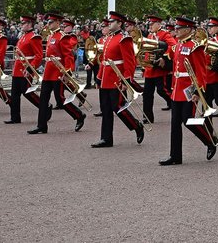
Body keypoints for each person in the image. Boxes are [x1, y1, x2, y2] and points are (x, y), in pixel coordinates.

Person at [159, 16, 218, 165]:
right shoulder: (178, 46)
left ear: (187, 30)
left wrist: (198, 92)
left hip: (189, 89)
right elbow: (175, 67)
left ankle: (209, 141)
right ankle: (175, 156)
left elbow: (200, 72)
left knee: (188, 120)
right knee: (175, 124)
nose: (176, 31)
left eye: (179, 29)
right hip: (177, 88)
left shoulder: (195, 47)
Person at [90, 12, 144, 148]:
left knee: (118, 107)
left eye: (112, 21)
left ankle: (136, 125)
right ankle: (106, 138)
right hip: (106, 79)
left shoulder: (124, 39)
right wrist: (98, 78)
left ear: (119, 23)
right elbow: (104, 61)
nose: (109, 23)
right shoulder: (108, 38)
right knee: (106, 109)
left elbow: (130, 62)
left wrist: (126, 80)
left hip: (117, 79)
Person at [30, 14, 85, 134]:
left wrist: (67, 72)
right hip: (48, 72)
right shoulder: (51, 36)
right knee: (43, 99)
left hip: (58, 72)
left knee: (60, 100)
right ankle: (41, 126)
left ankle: (79, 115)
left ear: (58, 23)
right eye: (48, 22)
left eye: (51, 22)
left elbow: (68, 56)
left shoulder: (62, 37)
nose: (48, 24)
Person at [7, 16, 42, 124]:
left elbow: (39, 56)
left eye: (23, 23)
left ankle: (44, 107)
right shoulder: (23, 36)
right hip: (18, 69)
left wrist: (30, 69)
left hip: (26, 70)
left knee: (27, 93)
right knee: (15, 95)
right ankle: (15, 117)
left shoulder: (34, 37)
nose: (21, 25)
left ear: (29, 24)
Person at [141, 15, 174, 124]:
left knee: (162, 90)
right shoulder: (150, 35)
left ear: (158, 24)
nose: (150, 26)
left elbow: (173, 46)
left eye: (152, 24)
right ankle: (147, 116)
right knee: (147, 94)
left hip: (159, 69)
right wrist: (144, 65)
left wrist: (164, 57)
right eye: (149, 24)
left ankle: (175, 103)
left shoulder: (164, 34)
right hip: (150, 70)